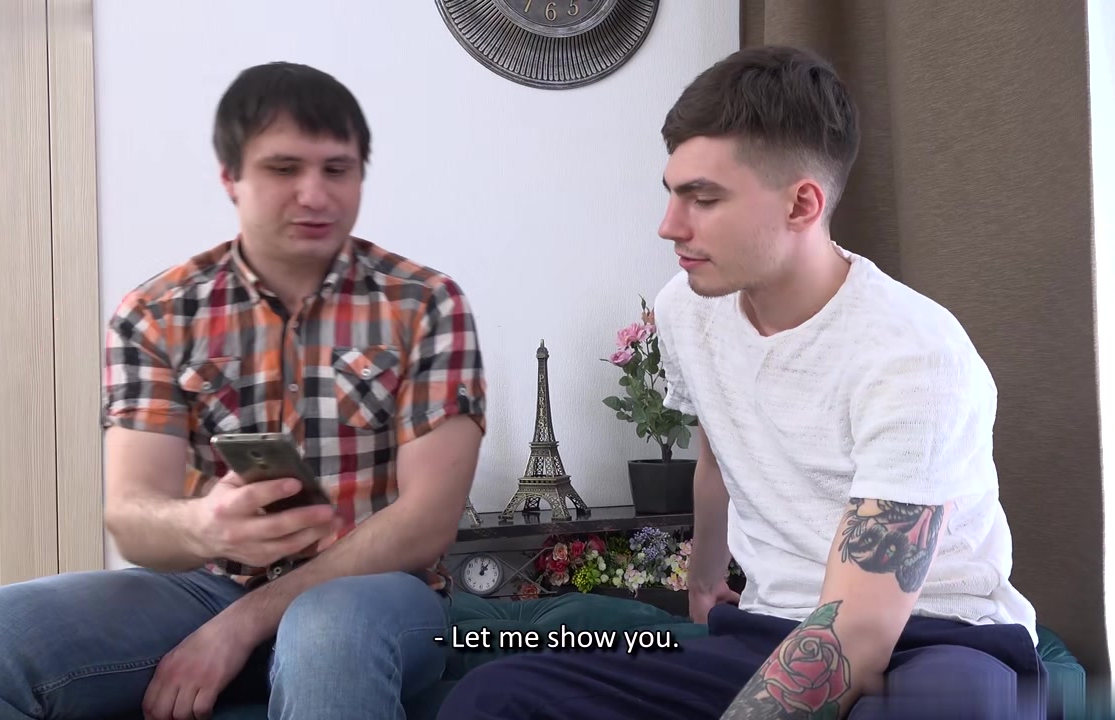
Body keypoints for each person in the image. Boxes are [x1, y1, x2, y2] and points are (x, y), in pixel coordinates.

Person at [435, 45, 1046, 720]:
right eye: (672, 192)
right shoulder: (686, 309)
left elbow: (858, 633)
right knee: (494, 697)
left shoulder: (914, 354)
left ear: (802, 204)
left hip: (936, 640)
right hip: (766, 630)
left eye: (703, 199)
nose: (669, 226)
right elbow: (720, 453)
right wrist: (703, 579)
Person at [0, 62, 487, 720]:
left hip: (377, 594)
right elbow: (134, 517)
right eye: (283, 168)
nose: (314, 194)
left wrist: (242, 624)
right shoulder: (158, 312)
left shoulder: (426, 304)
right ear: (231, 178)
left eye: (338, 169)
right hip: (205, 588)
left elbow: (425, 523)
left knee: (329, 632)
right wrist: (202, 525)